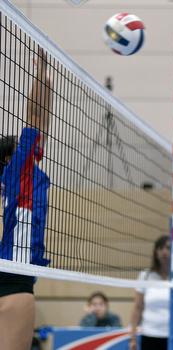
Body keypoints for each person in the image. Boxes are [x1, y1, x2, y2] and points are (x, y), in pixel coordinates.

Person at [0, 47, 52, 350]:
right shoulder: (21, 172)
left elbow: (39, 120)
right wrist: (42, 74)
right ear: (13, 156)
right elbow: (37, 117)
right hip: (14, 279)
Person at [129, 235, 173, 350]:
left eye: (168, 248)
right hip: (151, 335)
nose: (164, 252)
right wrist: (132, 337)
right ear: (155, 252)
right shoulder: (145, 276)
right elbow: (137, 308)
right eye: (160, 248)